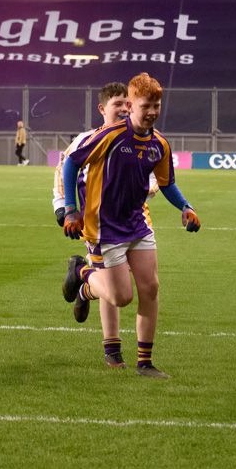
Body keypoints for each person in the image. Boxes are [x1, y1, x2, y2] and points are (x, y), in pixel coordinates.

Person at [60, 73, 201, 377]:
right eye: (146, 105)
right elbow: (71, 162)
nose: (151, 111)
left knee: (150, 288)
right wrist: (71, 210)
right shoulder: (110, 135)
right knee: (121, 297)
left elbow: (166, 184)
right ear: (130, 104)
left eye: (156, 105)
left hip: (136, 224)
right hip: (103, 228)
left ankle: (145, 363)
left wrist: (186, 207)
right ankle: (83, 276)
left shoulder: (159, 143)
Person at [52, 82, 161, 366]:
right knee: (115, 288)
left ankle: (84, 285)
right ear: (102, 109)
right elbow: (64, 170)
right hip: (98, 223)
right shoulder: (88, 139)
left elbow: (153, 175)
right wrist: (64, 209)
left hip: (136, 218)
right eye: (118, 104)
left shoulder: (141, 134)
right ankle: (112, 350)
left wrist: (152, 187)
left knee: (139, 286)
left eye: (128, 103)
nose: (125, 108)